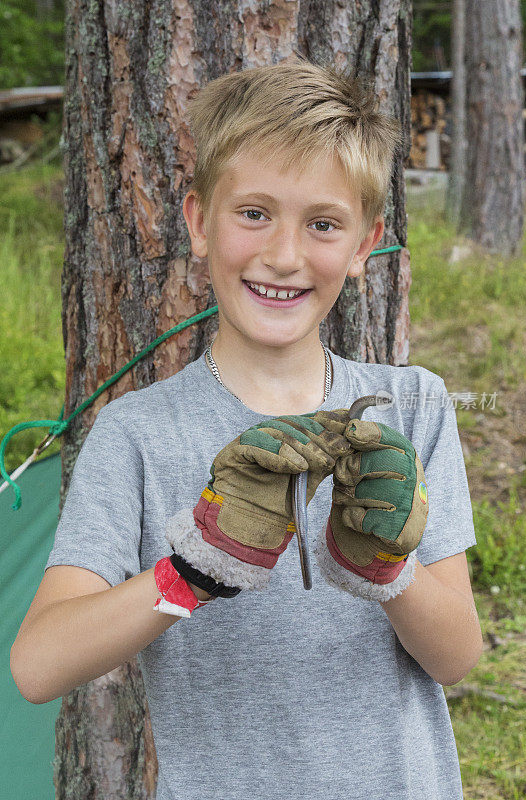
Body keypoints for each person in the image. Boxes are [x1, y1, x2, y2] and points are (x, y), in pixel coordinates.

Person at [10, 57, 483, 800]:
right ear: (199, 222)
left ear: (364, 245)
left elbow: (456, 656)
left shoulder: (409, 406)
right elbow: (38, 666)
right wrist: (193, 569)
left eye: (322, 224)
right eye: (253, 213)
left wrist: (388, 570)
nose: (284, 256)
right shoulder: (134, 434)